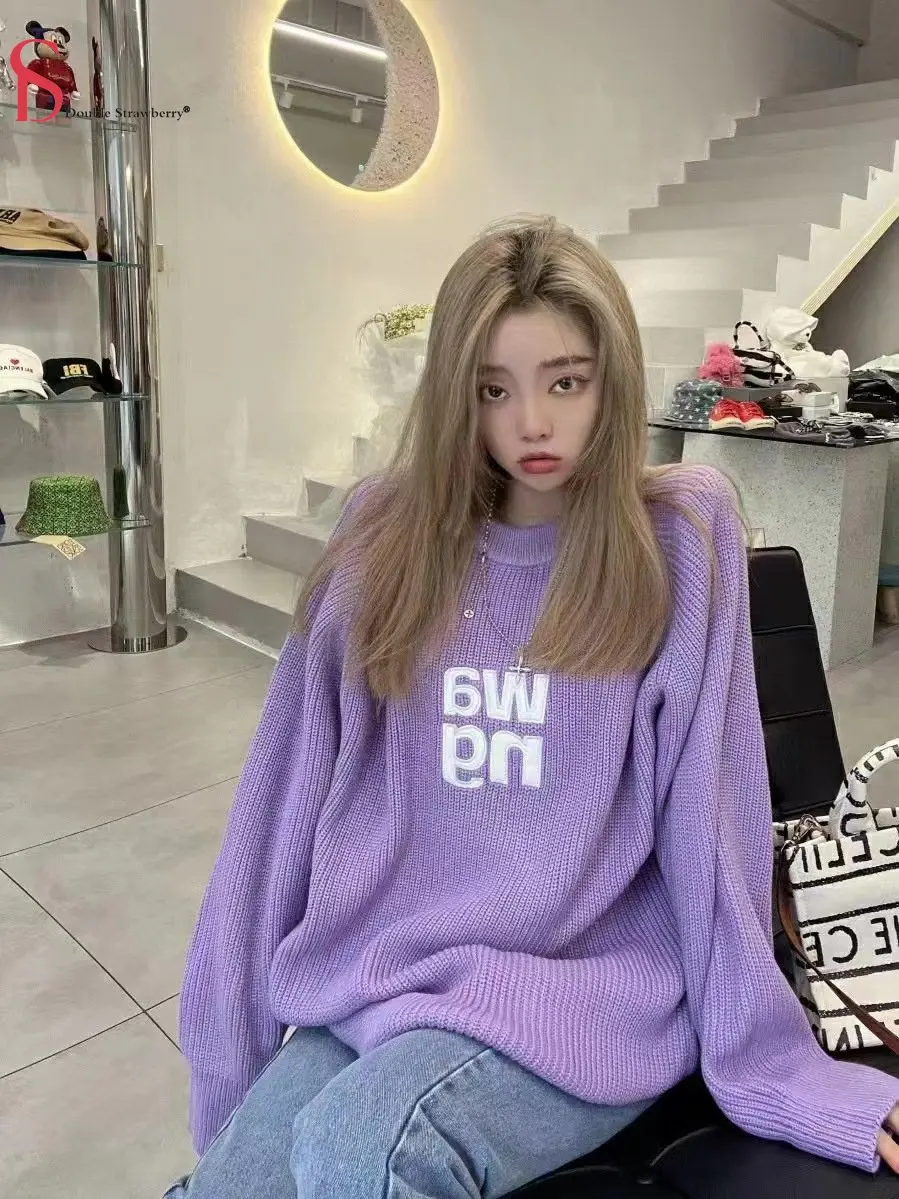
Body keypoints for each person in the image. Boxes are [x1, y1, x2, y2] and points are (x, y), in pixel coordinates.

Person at [164, 216, 899, 1198]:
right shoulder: (382, 538)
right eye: (492, 389)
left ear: (611, 379)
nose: (532, 425)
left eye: (565, 381)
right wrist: (230, 1069)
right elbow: (274, 813)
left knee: (361, 1150)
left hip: (584, 992)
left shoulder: (678, 539)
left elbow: (709, 817)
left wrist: (774, 1067)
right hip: (384, 971)